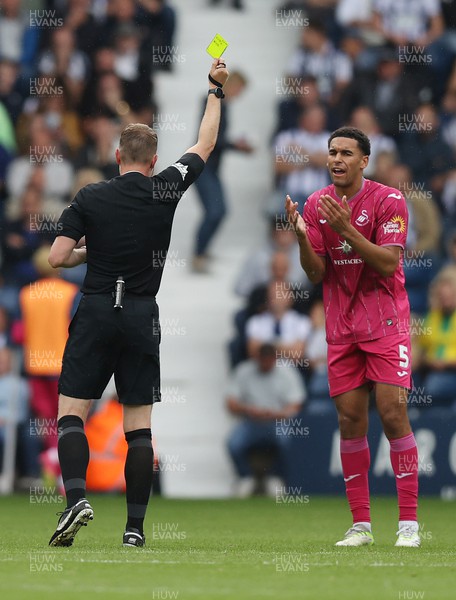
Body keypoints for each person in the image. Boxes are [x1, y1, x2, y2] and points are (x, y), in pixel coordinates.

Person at [46, 58, 229, 548]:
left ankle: (76, 499)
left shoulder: (90, 196)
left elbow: (57, 256)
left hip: (99, 307)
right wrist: (215, 90)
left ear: (115, 155)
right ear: (153, 160)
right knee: (139, 427)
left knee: (71, 413)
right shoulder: (165, 188)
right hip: (142, 315)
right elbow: (205, 144)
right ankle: (134, 529)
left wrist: (89, 251)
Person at [285, 126, 420, 547]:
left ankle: (409, 525)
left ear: (365, 160)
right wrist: (304, 240)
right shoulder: (315, 204)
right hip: (341, 328)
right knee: (349, 420)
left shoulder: (388, 200)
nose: (337, 159)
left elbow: (386, 263)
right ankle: (361, 524)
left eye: (346, 152)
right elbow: (316, 273)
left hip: (385, 325)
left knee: (393, 412)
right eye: (331, 152)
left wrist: (346, 231)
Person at [192, 71, 253, 273]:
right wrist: (237, 146)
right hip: (203, 166)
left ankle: (201, 250)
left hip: (209, 167)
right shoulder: (212, 101)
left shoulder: (221, 105)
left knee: (217, 211)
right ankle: (198, 253)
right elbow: (211, 137)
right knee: (215, 211)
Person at [226, 343, 305, 497]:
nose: (266, 364)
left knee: (287, 442)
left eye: (269, 360)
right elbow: (231, 403)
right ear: (257, 359)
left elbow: (296, 405)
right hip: (251, 422)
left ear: (275, 359)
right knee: (233, 443)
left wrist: (277, 414)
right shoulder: (244, 371)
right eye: (262, 360)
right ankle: (245, 478)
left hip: (278, 421)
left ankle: (278, 478)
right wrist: (248, 409)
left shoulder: (287, 372)